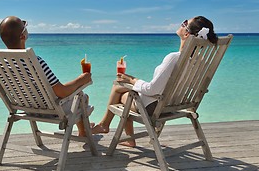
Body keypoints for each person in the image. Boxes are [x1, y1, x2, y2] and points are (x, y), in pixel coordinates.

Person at [91, 16, 218, 147]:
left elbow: (152, 90)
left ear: (186, 34)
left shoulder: (173, 58)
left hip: (156, 107)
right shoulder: (199, 62)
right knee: (121, 89)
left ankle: (107, 126)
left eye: (185, 23)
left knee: (119, 90)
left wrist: (132, 79)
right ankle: (116, 131)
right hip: (177, 105)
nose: (181, 23)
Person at [0, 16, 93, 137]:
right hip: (51, 110)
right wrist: (82, 79)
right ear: (22, 36)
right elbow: (62, 92)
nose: (26, 28)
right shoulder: (34, 62)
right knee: (82, 97)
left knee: (74, 96)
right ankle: (84, 132)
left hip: (26, 109)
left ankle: (84, 130)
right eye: (24, 26)